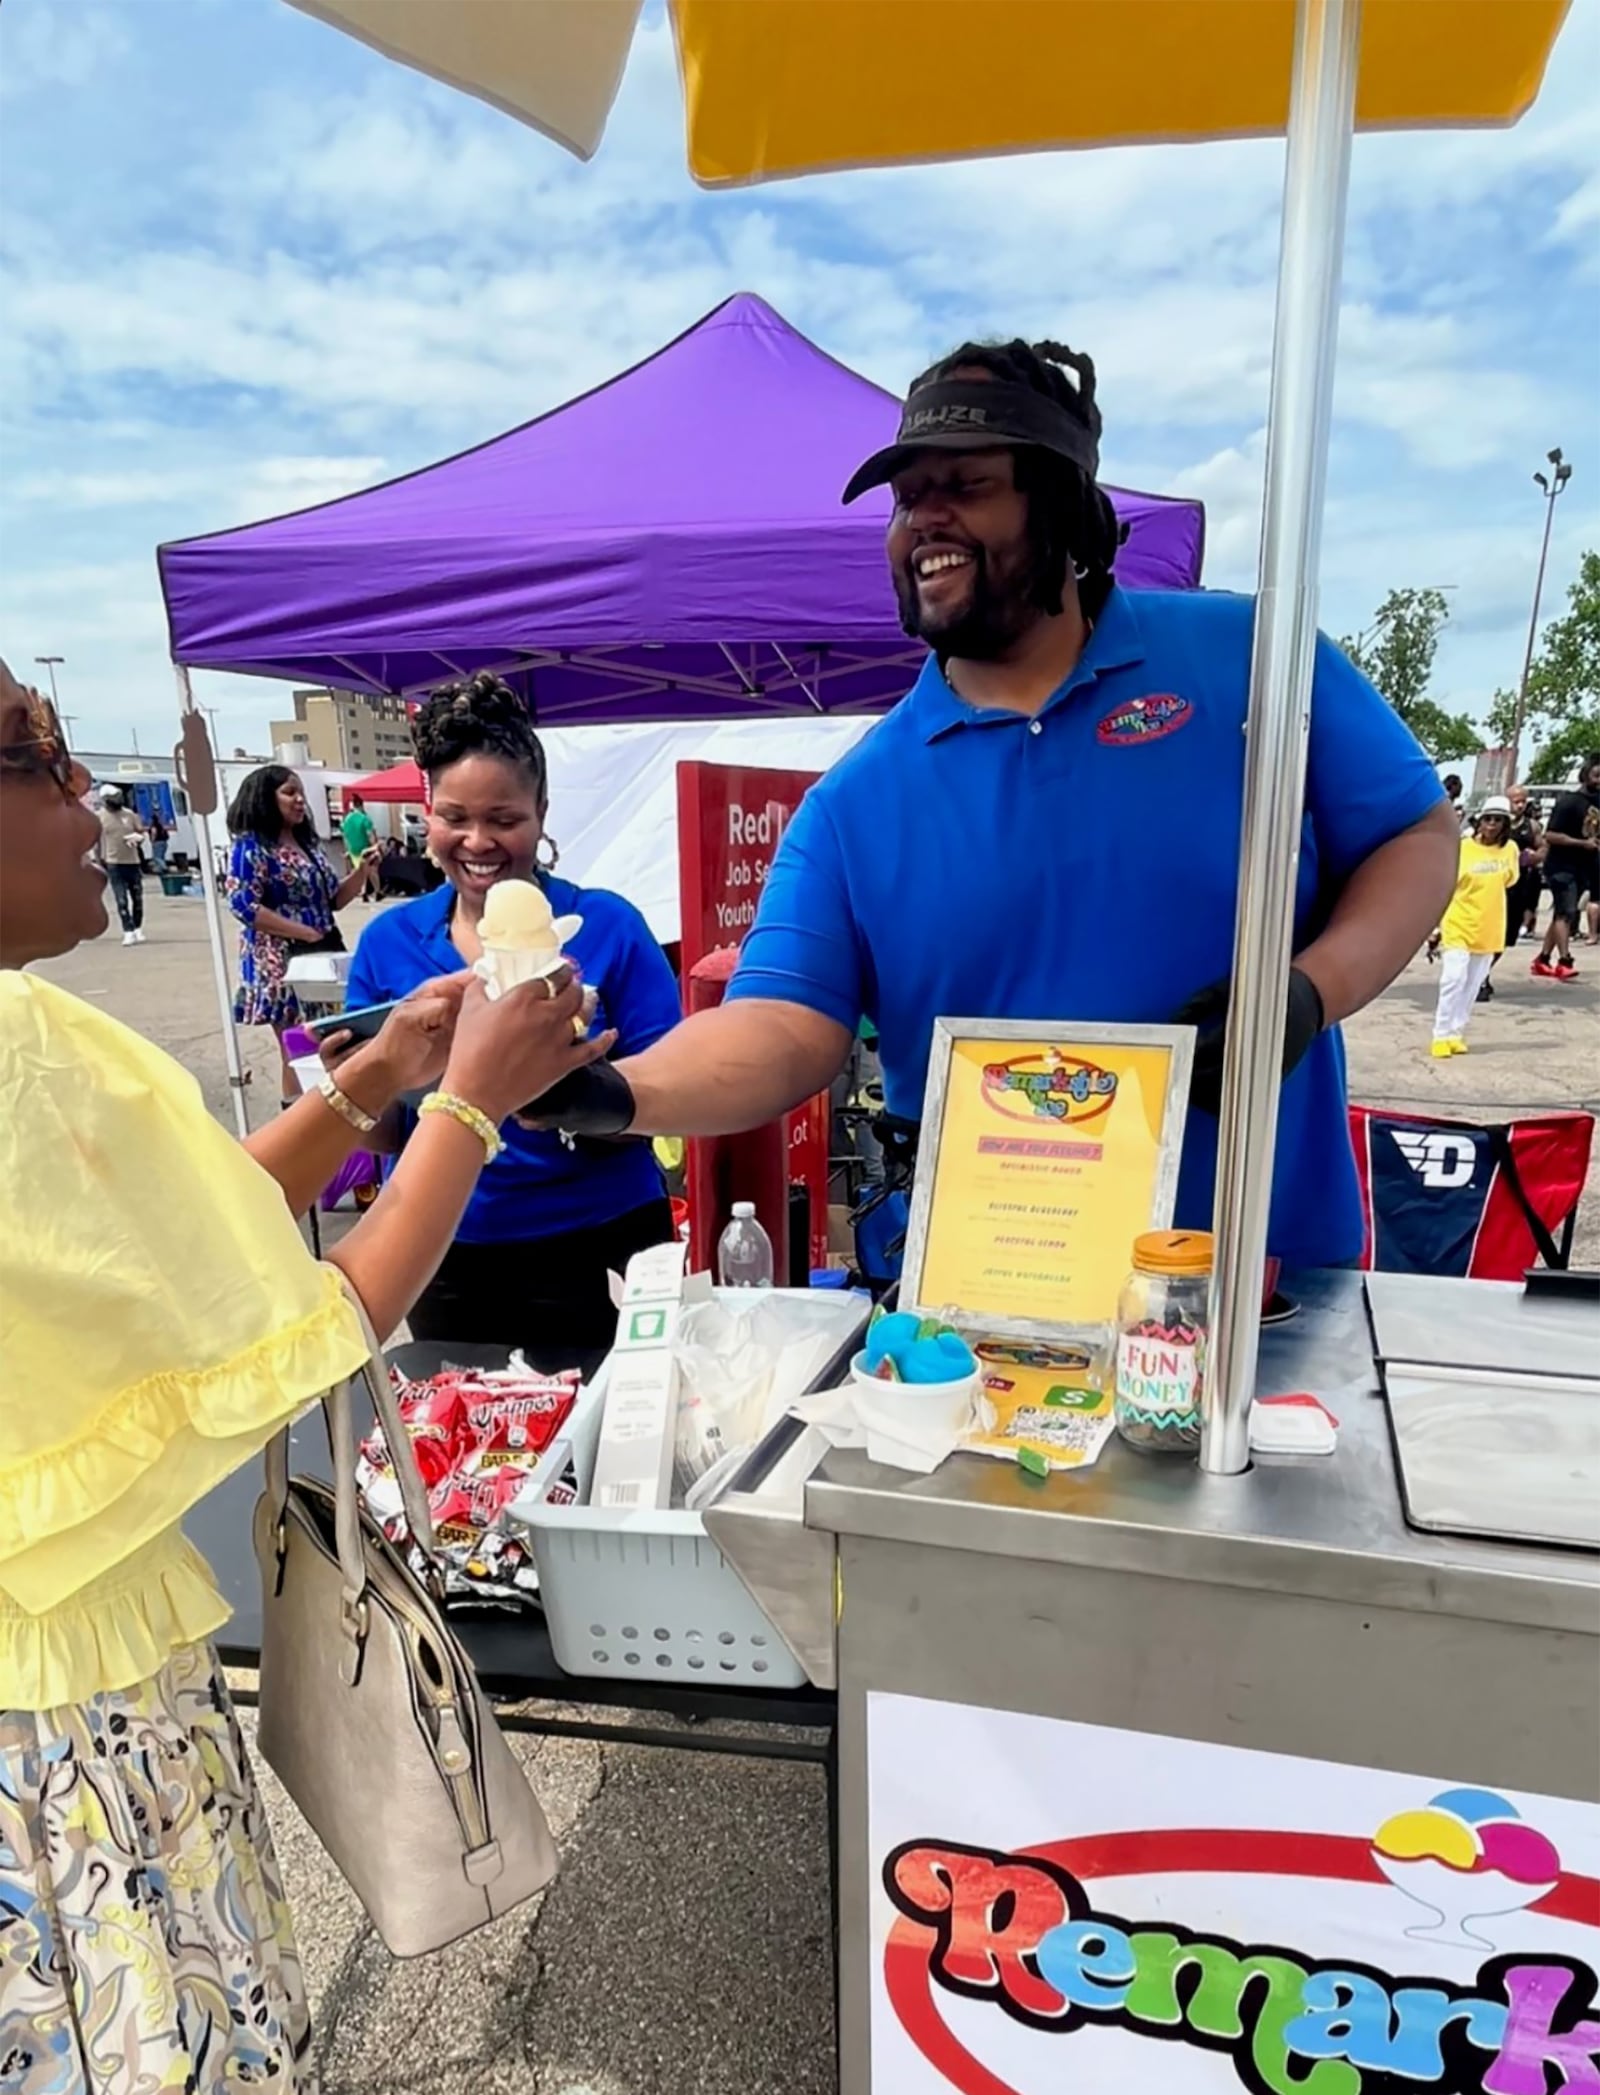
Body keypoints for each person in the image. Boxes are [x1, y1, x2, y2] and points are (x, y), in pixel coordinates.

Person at [525, 336, 1460, 1273]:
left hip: (1259, 1277)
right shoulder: (857, 801)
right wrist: (613, 1090)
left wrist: (1308, 990)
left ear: (1058, 505)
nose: (924, 520)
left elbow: (1414, 835)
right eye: (906, 499)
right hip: (986, 1317)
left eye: (965, 485)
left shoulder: (1250, 659)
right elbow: (781, 1025)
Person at [0, 660, 607, 2095]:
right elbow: (316, 1319)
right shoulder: (19, 1047)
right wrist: (470, 1103)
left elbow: (193, 1234)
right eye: (43, 758)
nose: (95, 798)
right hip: (57, 1717)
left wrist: (382, 1073)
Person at [345, 673, 683, 1361]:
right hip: (445, 1246)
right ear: (427, 810)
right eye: (455, 817)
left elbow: (674, 1105)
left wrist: (572, 1097)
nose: (477, 842)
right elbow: (387, 1135)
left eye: (504, 819)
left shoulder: (607, 926)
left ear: (543, 811)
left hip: (606, 1240)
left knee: (611, 1455)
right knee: (469, 1455)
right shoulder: (390, 943)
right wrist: (355, 1082)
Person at [226, 763, 373, 1095]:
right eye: (289, 792)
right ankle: (296, 1118)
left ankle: (330, 1118)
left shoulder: (308, 846)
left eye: (301, 793)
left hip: (322, 952)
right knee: (298, 1048)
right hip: (280, 961)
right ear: (265, 798)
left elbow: (332, 900)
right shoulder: (251, 847)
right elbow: (243, 905)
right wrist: (300, 932)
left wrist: (362, 871)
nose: (299, 800)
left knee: (332, 1041)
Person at [1428, 797, 1520, 1057]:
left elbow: (1510, 880)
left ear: (1505, 825)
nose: (1491, 825)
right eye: (1488, 819)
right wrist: (1436, 927)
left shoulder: (1510, 850)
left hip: (1489, 924)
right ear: (1478, 821)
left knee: (1473, 984)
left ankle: (1457, 1032)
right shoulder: (1461, 848)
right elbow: (1444, 887)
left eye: (1498, 820)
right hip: (1458, 922)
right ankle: (1440, 1034)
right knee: (1453, 980)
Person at [1532, 751, 1600, 981]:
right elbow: (1550, 834)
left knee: (1562, 914)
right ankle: (1564, 960)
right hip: (1561, 866)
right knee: (1567, 912)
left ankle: (1542, 959)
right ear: (1586, 775)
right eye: (1596, 775)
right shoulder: (1569, 802)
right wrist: (1582, 843)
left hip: (1583, 866)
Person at [96, 783, 148, 946]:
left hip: (132, 861)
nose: (117, 801)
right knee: (121, 899)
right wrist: (98, 860)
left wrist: (140, 838)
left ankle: (138, 928)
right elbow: (96, 841)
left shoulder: (130, 815)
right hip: (114, 862)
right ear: (105, 800)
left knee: (137, 897)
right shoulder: (99, 817)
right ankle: (128, 930)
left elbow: (141, 831)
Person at [1505, 782, 1546, 946]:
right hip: (1501, 875)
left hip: (1523, 875)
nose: (1520, 805)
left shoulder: (1532, 825)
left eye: (1523, 801)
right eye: (1516, 801)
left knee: (1525, 905)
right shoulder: (1499, 823)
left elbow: (1543, 846)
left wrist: (1536, 856)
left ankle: (1524, 927)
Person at [341, 788, 379, 900]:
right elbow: (370, 834)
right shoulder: (364, 818)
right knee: (372, 871)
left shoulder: (346, 820)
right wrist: (375, 847)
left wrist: (347, 849)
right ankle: (377, 891)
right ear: (361, 805)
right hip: (366, 848)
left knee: (360, 870)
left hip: (353, 850)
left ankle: (363, 891)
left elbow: (345, 836)